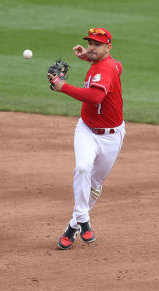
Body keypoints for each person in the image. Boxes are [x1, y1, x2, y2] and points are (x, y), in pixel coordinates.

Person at [48, 28, 125, 250]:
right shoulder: (108, 64)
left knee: (95, 186)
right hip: (87, 130)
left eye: (97, 45)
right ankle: (84, 219)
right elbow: (118, 66)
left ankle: (72, 228)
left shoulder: (106, 68)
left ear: (108, 48)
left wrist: (63, 87)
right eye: (90, 43)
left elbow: (96, 96)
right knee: (82, 168)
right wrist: (88, 57)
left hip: (112, 136)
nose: (91, 47)